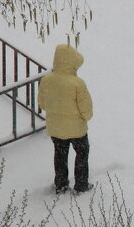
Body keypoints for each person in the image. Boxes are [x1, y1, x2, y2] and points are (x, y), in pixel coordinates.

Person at [37, 43, 93, 194]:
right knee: (81, 153)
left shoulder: (47, 80)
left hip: (56, 128)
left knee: (60, 155)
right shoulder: (77, 83)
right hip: (77, 129)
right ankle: (81, 185)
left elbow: (42, 103)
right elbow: (86, 108)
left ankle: (61, 184)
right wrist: (86, 117)